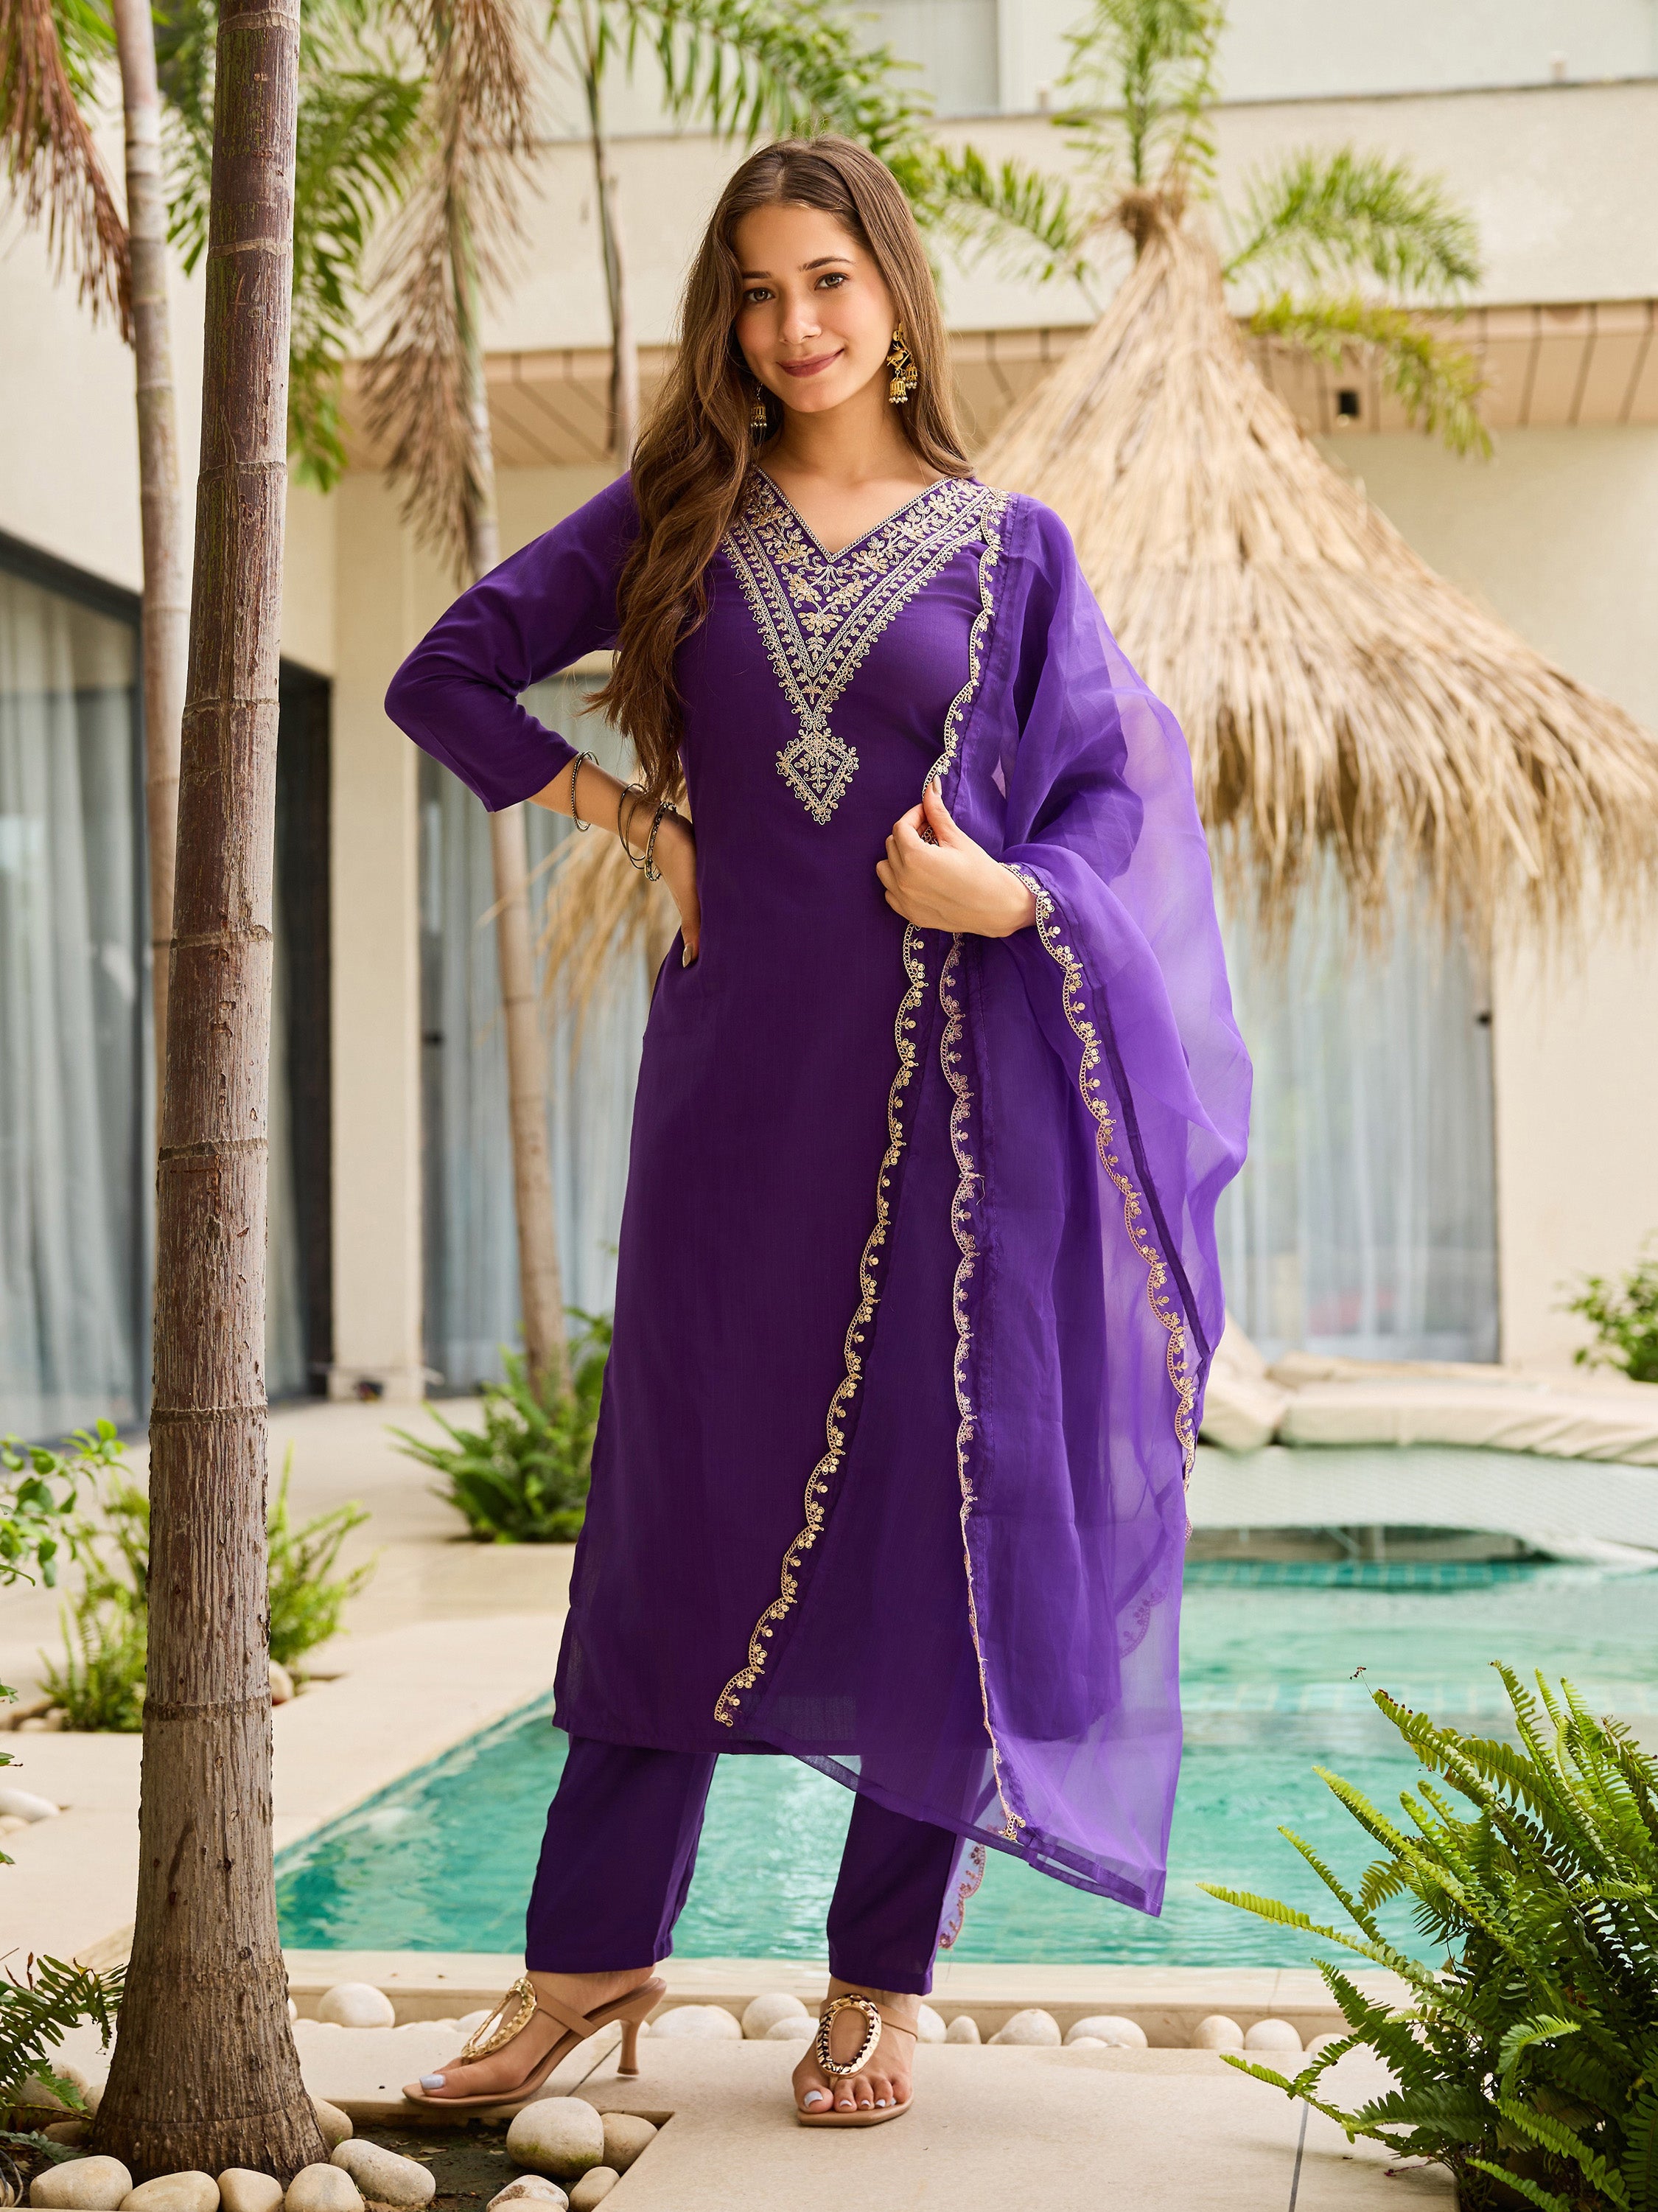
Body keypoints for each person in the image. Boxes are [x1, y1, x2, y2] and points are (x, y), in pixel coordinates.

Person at [384, 134, 1249, 2129]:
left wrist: (1016, 900)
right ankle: (586, 1954)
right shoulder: (675, 511)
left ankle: (878, 1982)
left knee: (938, 1534)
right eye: (758, 293)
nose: (793, 327)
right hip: (725, 1103)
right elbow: (449, 673)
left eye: (828, 285)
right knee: (669, 1510)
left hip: (952, 1107)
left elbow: (1113, 802)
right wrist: (636, 818)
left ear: (893, 293)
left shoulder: (1009, 548)